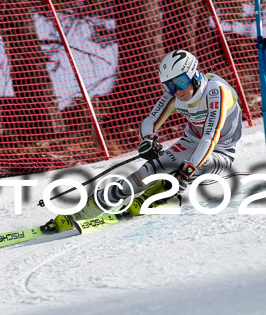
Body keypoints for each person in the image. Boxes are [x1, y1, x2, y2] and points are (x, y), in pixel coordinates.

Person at [76, 49, 243, 219]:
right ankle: (96, 203)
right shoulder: (174, 95)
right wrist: (148, 139)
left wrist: (188, 169)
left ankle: (155, 197)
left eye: (181, 81)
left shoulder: (216, 92)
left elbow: (210, 137)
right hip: (191, 141)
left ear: (194, 75)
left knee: (189, 168)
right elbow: (151, 120)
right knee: (147, 171)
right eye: (169, 85)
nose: (177, 90)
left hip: (221, 151)